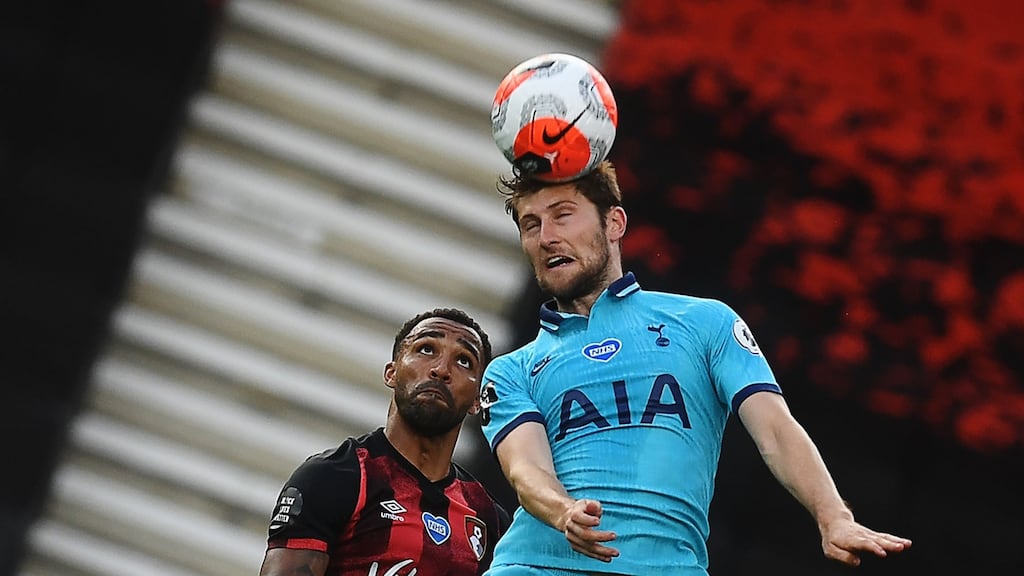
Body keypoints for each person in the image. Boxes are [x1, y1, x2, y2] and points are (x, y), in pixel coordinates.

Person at [478, 161, 912, 576]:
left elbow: (776, 429)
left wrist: (833, 517)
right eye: (531, 225)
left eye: (563, 215)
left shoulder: (706, 324)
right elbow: (526, 470)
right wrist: (564, 511)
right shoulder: (512, 370)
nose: (546, 237)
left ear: (614, 224)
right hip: (538, 565)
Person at [259, 308, 511, 576]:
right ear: (392, 372)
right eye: (426, 349)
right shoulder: (335, 477)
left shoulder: (489, 520)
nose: (440, 369)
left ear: (476, 399)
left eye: (463, 361)